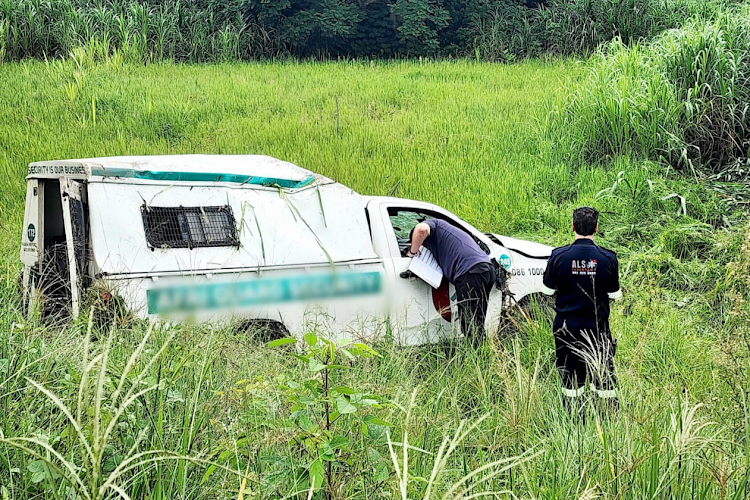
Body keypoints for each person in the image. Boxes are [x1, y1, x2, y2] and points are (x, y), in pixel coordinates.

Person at [541, 207, 622, 415]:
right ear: (596, 228)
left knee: (570, 377)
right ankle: (607, 416)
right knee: (603, 375)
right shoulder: (608, 258)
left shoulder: (558, 256)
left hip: (566, 327)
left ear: (572, 226)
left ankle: (573, 417)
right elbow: (614, 295)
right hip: (598, 328)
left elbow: (547, 290)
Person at [408, 219, 496, 345]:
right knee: (477, 320)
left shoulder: (434, 225)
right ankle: (483, 355)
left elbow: (421, 230)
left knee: (470, 323)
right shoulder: (447, 232)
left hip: (470, 272)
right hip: (486, 269)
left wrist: (413, 251)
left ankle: (476, 358)